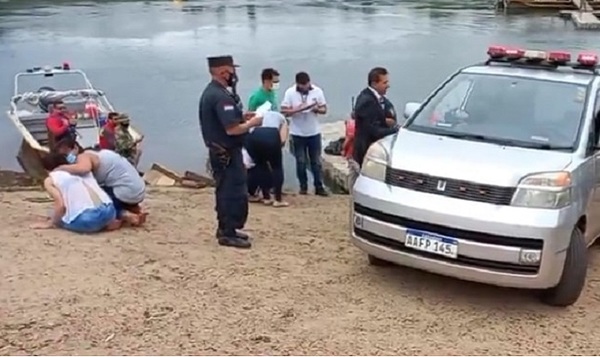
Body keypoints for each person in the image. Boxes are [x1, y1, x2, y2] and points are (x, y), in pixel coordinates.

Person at [198, 55, 263, 249]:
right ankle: (227, 232)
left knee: (231, 190)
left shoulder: (216, 93)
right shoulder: (219, 96)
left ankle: (229, 228)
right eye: (231, 70)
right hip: (225, 153)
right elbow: (231, 129)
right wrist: (252, 123)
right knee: (231, 192)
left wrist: (242, 116)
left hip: (224, 151)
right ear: (221, 72)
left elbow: (227, 120)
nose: (234, 75)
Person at [52, 137, 147, 227]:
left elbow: (84, 169)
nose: (67, 158)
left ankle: (126, 215)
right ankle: (135, 208)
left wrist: (60, 169)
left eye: (66, 154)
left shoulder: (84, 156)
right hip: (138, 190)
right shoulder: (99, 153)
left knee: (99, 201)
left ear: (75, 148)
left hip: (127, 191)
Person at [30, 152, 119, 233]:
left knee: (57, 216)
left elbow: (60, 205)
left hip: (88, 218)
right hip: (109, 210)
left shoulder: (51, 179)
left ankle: (97, 225)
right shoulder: (80, 169)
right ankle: (107, 223)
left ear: (47, 169)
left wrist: (51, 223)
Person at [280, 71, 328, 196]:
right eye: (303, 86)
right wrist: (297, 109)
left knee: (316, 161)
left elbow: (324, 109)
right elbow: (284, 111)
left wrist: (316, 109)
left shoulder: (317, 91)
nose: (305, 88)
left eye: (307, 85)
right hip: (297, 133)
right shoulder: (290, 93)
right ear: (297, 84)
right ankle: (303, 187)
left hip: (313, 132)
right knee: (300, 161)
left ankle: (319, 186)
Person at [353, 67, 399, 167]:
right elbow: (373, 131)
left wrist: (385, 120)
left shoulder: (378, 99)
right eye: (385, 83)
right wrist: (397, 130)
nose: (388, 85)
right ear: (374, 84)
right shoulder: (367, 102)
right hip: (366, 153)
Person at [245, 111, 289, 207]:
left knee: (261, 165)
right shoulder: (283, 119)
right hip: (270, 134)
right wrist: (276, 149)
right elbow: (283, 140)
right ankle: (278, 199)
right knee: (277, 167)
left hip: (252, 136)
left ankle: (266, 197)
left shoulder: (260, 113)